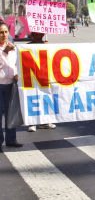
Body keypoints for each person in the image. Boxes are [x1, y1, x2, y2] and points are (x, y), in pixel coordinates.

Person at [27, 32, 56, 132]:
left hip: (44, 76)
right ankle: (32, 122)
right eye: (35, 35)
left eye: (40, 34)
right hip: (31, 77)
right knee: (31, 99)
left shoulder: (46, 45)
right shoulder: (26, 46)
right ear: (32, 35)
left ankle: (45, 121)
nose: (38, 36)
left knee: (45, 98)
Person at [0, 22, 22, 151]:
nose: (4, 35)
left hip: (11, 85)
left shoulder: (13, 47)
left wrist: (17, 74)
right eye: (1, 32)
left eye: (5, 32)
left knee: (11, 113)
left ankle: (11, 139)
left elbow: (15, 64)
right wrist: (4, 52)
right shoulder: (6, 50)